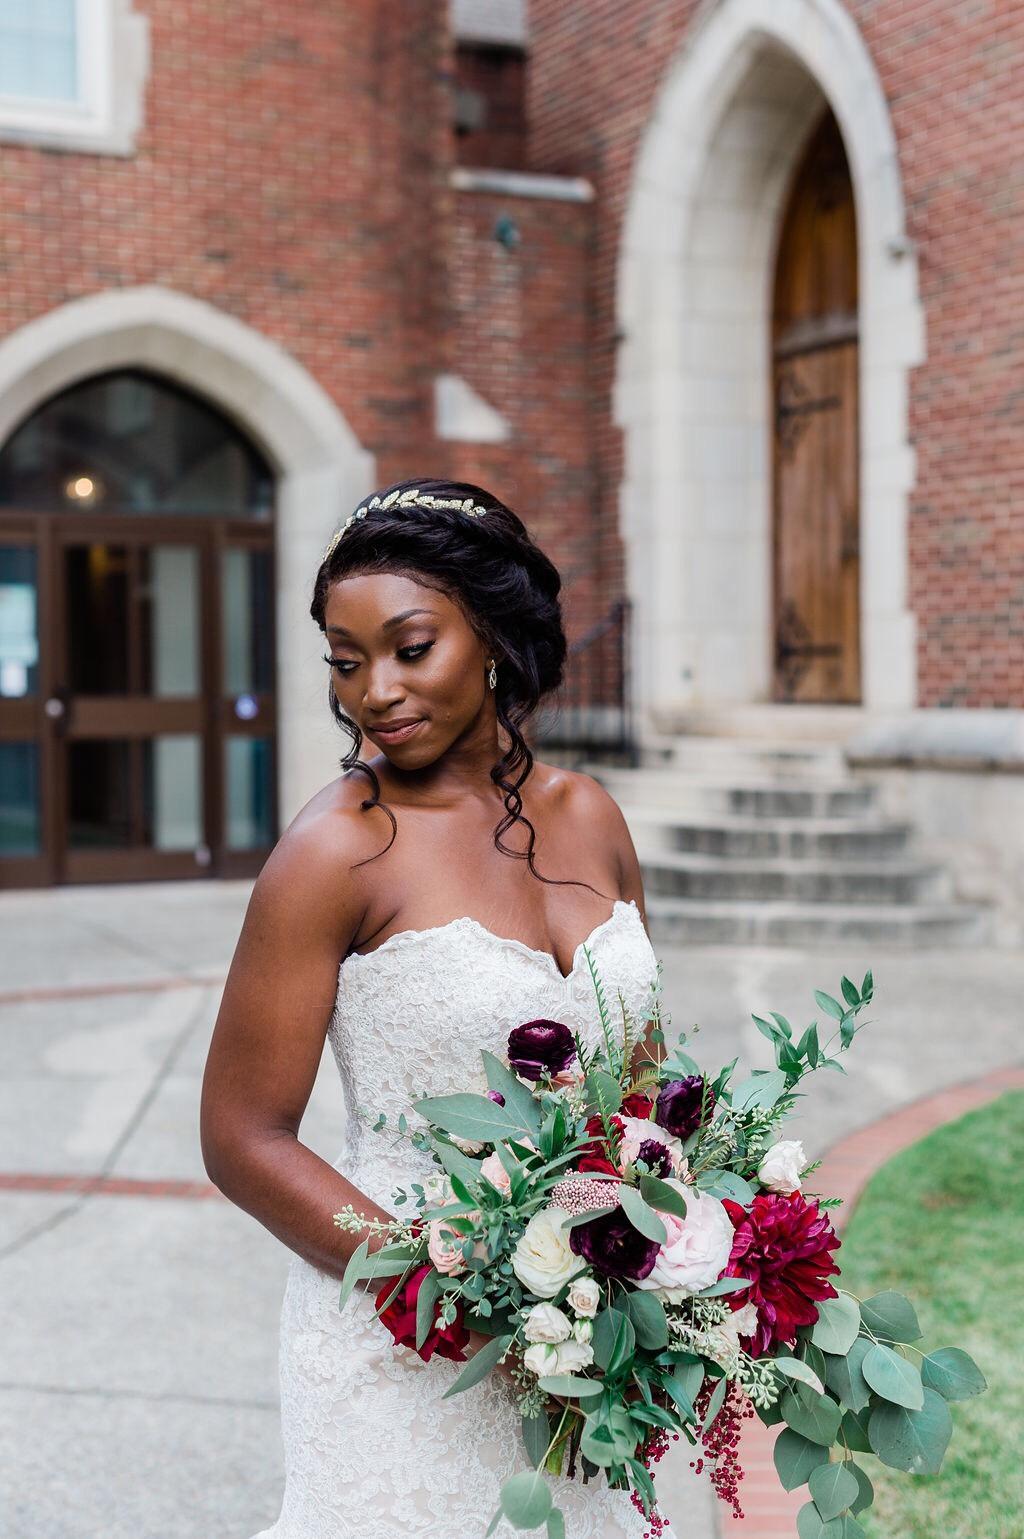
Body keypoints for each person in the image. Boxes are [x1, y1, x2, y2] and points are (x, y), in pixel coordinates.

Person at [200, 477, 677, 1538]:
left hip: (588, 1344)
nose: (373, 690)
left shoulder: (590, 816)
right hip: (403, 1343)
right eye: (345, 659)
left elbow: (642, 1085)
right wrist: (434, 1288)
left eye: (410, 648)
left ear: (494, 637)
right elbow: (241, 1136)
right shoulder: (337, 850)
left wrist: (671, 1245)